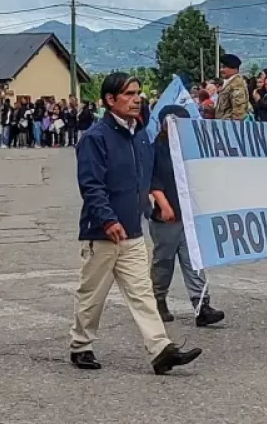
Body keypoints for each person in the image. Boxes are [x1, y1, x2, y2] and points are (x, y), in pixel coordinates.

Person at [69, 72, 202, 375]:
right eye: (128, 94)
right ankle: (81, 345)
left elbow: (145, 176)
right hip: (101, 233)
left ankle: (160, 349)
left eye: (138, 93)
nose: (136, 99)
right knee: (92, 295)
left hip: (132, 231)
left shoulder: (140, 136)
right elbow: (91, 185)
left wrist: (152, 203)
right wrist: (107, 220)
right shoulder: (95, 138)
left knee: (142, 293)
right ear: (110, 100)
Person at [149, 104, 225, 327]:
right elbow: (151, 181)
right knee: (164, 262)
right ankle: (158, 300)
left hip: (190, 216)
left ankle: (202, 306)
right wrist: (164, 205)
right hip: (166, 218)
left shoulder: (191, 149)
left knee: (194, 260)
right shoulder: (155, 150)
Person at [214, 54, 250, 120]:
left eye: (224, 67)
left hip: (229, 125)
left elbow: (238, 113)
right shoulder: (229, 83)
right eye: (221, 67)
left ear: (235, 68)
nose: (221, 70)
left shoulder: (237, 85)